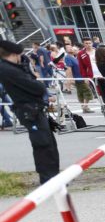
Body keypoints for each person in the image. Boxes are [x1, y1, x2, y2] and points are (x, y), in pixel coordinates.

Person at [0, 40, 60, 183]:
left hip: (33, 108)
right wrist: (26, 69)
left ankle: (53, 176)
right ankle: (48, 178)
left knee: (48, 143)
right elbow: (37, 87)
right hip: (29, 110)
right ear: (14, 54)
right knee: (43, 144)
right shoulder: (8, 69)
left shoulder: (10, 68)